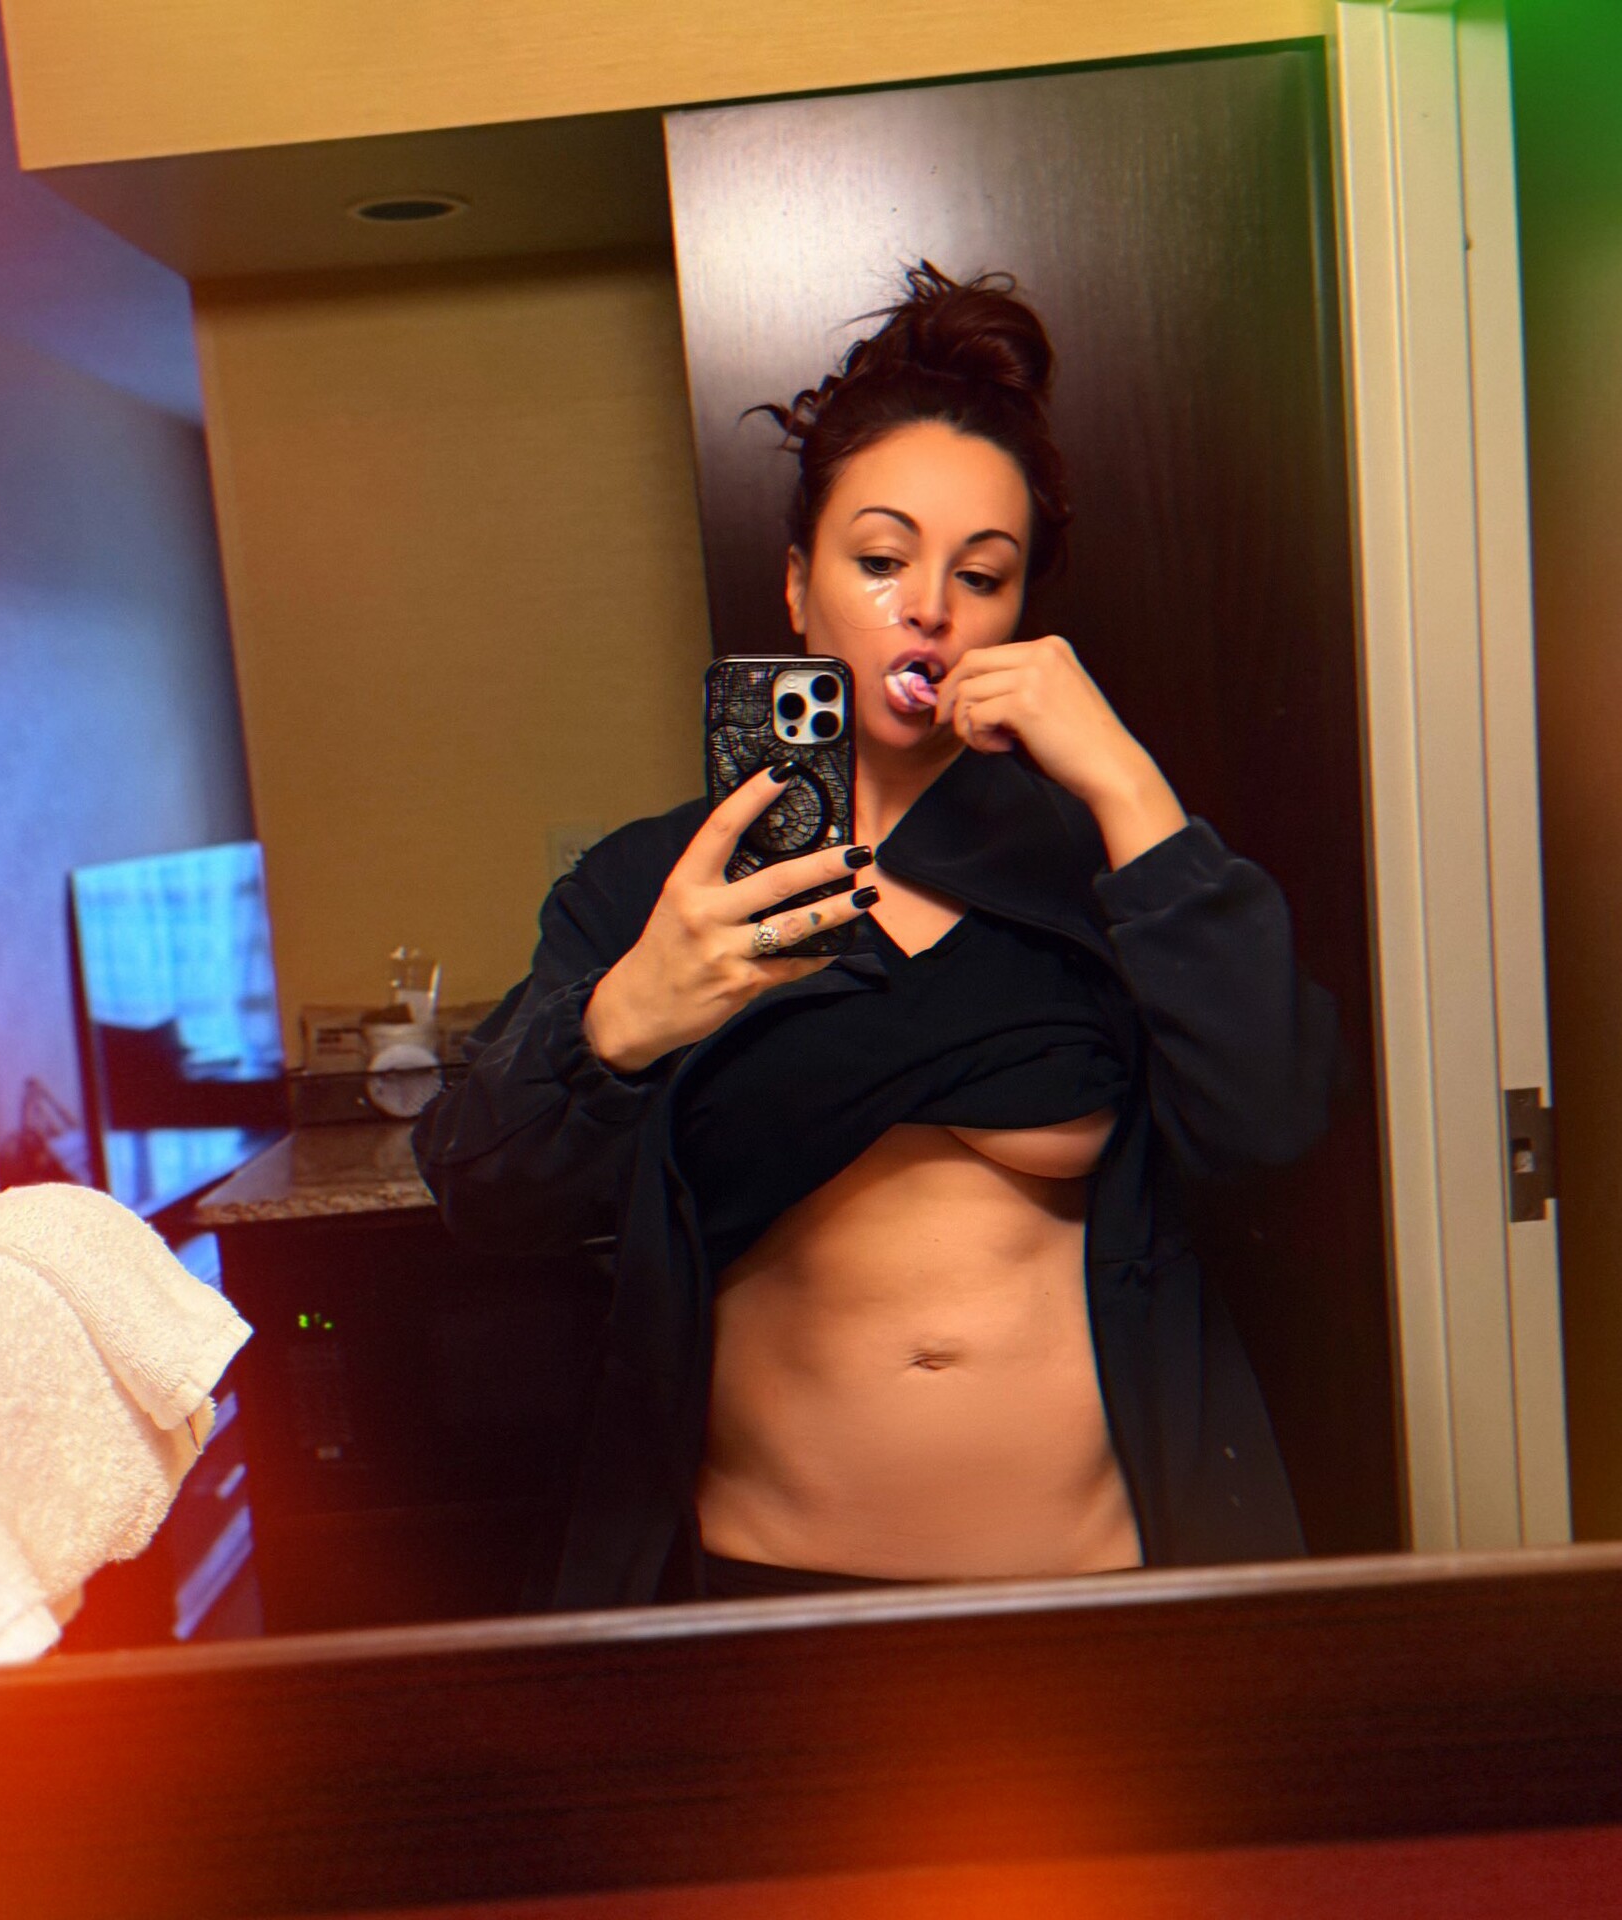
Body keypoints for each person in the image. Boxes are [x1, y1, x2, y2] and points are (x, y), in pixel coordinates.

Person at [412, 262, 1340, 1610]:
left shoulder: (1105, 867)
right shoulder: (659, 890)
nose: (931, 607)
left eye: (983, 574)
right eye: (881, 560)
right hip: (764, 1603)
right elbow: (488, 1203)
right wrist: (625, 1022)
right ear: (799, 588)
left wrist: (1126, 782)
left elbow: (1274, 1125)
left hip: (1091, 1595)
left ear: (1021, 617)